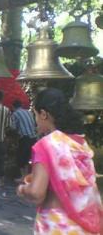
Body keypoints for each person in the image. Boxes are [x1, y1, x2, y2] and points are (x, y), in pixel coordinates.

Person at [16, 88, 103, 234]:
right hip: (85, 226)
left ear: (44, 114)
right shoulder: (80, 143)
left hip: (57, 226)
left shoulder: (45, 146)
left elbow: (37, 193)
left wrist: (23, 189)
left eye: (35, 115)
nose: (35, 121)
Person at [11, 99, 37, 182]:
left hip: (25, 138)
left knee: (21, 157)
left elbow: (13, 128)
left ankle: (23, 177)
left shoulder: (15, 114)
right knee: (28, 158)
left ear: (13, 107)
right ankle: (26, 177)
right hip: (33, 137)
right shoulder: (28, 112)